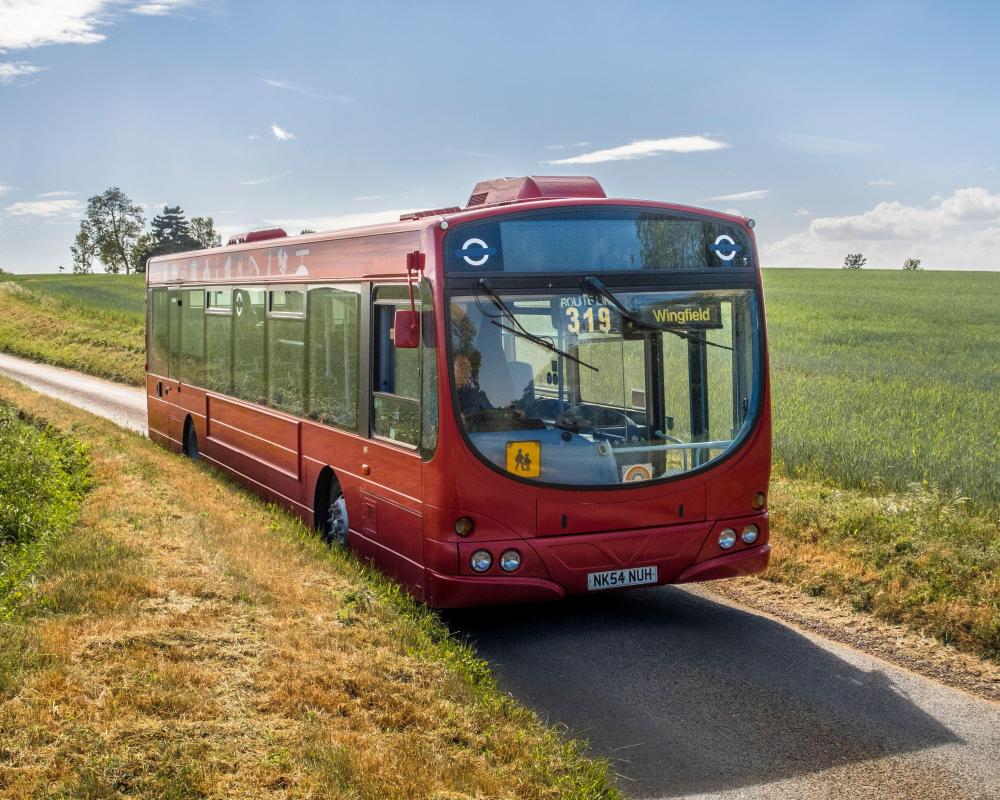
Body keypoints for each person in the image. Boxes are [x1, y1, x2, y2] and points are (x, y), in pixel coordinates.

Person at [453, 352, 493, 417]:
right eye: (460, 365)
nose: (465, 370)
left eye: (467, 367)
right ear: (450, 368)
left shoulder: (478, 397)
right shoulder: (441, 394)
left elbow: (493, 417)